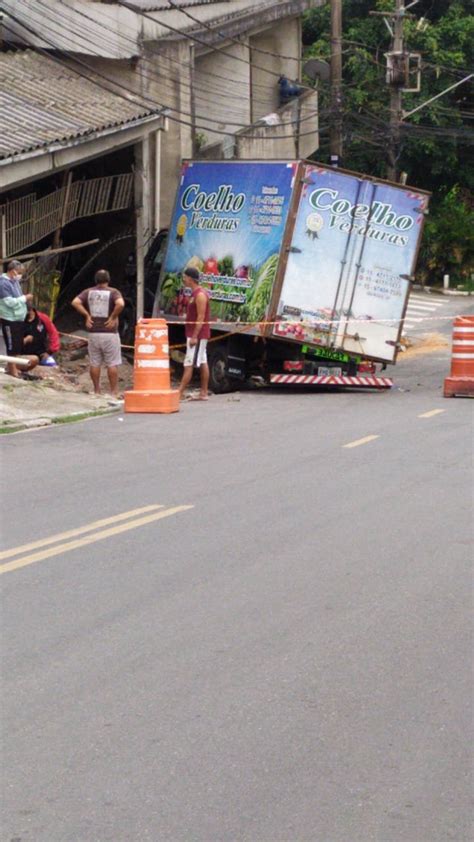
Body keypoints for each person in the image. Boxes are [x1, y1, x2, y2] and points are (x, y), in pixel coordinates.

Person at [72, 269, 124, 396]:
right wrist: (112, 317)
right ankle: (114, 391)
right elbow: (120, 304)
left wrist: (86, 315)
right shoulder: (113, 292)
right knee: (112, 363)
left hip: (94, 333)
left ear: (96, 280)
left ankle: (97, 390)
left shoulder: (88, 292)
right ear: (108, 279)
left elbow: (75, 302)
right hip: (110, 333)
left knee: (95, 363)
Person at [179, 266, 210, 401]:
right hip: (193, 333)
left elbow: (201, 317)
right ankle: (203, 392)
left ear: (190, 279)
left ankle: (179, 392)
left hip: (197, 335)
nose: (184, 279)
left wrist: (194, 337)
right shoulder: (194, 293)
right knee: (202, 361)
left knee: (189, 362)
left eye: (185, 277)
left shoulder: (200, 295)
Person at [0, 259, 34, 378]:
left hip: (18, 318)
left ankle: (13, 368)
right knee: (11, 345)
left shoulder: (14, 282)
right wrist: (25, 298)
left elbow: (18, 297)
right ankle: (12, 370)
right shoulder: (3, 283)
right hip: (9, 318)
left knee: (17, 345)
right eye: (19, 272)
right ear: (13, 271)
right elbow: (9, 302)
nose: (20, 275)